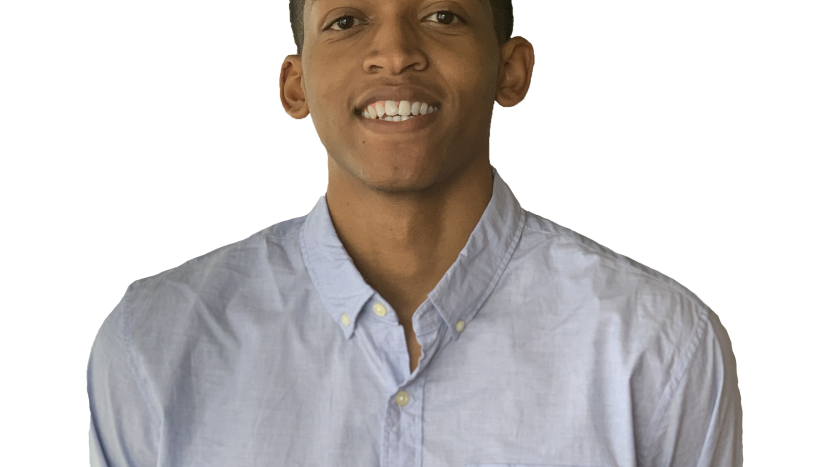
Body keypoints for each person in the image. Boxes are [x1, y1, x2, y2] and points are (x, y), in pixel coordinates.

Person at [87, 0, 743, 466]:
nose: (396, 53)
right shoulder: (155, 342)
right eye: (346, 21)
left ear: (511, 71)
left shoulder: (657, 344)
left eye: (443, 15)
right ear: (295, 85)